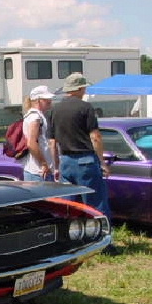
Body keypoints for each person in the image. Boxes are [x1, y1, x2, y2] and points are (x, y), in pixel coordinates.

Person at [49, 73, 116, 253]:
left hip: (66, 161)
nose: (85, 90)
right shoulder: (86, 107)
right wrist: (102, 161)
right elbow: (95, 136)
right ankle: (104, 244)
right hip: (85, 160)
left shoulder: (55, 110)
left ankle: (68, 242)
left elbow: (52, 142)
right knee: (96, 204)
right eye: (84, 87)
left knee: (68, 206)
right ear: (79, 89)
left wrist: (56, 166)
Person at [21, 85, 55, 182]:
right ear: (38, 100)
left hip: (37, 170)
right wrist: (44, 164)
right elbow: (31, 143)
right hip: (38, 172)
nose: (50, 102)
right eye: (47, 99)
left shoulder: (35, 116)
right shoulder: (35, 117)